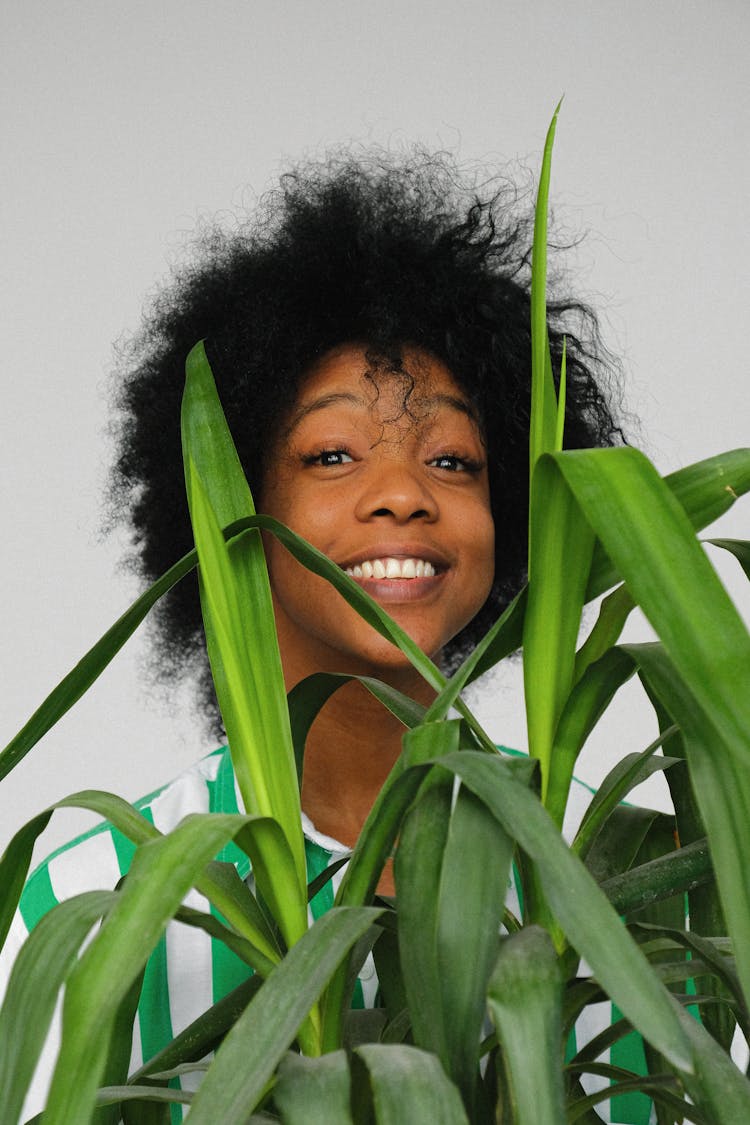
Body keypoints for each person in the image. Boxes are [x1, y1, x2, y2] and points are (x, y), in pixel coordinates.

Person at [3, 149, 643, 1121]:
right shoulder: (91, 898)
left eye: (455, 458)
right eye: (333, 453)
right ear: (230, 505)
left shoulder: (630, 872)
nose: (402, 494)